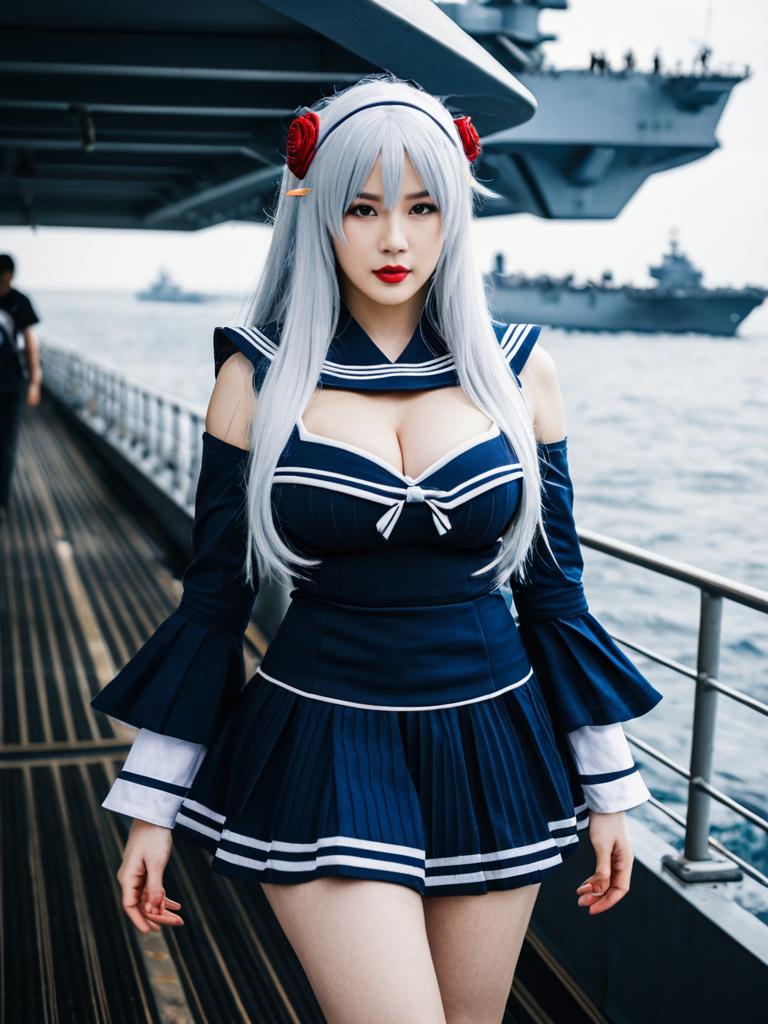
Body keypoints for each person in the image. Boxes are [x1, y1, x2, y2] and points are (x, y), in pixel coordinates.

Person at [90, 74, 663, 1023]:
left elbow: (557, 597)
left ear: (456, 215)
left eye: (423, 206)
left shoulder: (524, 373)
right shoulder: (256, 377)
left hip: (494, 742)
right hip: (323, 740)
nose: (395, 239)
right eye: (364, 208)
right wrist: (152, 806)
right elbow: (212, 604)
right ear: (318, 211)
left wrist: (609, 788)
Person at [0, 254, 42, 524]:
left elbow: (30, 341)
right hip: (11, 383)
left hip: (11, 383)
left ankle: (1, 501)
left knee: (5, 445)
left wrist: (35, 381)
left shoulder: (19, 301)